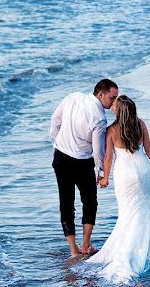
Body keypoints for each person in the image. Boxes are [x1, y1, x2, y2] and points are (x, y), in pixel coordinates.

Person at [84, 95, 150, 284]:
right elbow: (149, 149)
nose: (112, 106)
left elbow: (109, 157)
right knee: (142, 210)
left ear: (119, 111)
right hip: (143, 170)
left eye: (115, 105)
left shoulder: (112, 130)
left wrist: (104, 177)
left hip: (125, 173)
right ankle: (144, 249)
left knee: (127, 213)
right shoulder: (140, 124)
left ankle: (127, 252)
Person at [50, 79, 119, 257]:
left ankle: (73, 251)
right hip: (82, 162)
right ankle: (85, 245)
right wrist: (102, 173)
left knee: (66, 203)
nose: (114, 102)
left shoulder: (72, 97)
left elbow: (55, 120)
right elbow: (98, 151)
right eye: (112, 98)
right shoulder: (99, 118)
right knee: (89, 202)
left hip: (61, 157)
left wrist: (56, 143)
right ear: (100, 93)